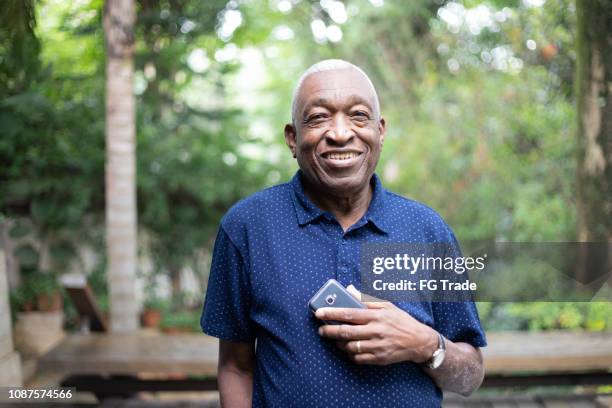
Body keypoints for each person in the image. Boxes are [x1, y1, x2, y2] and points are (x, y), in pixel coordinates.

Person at [200, 59, 486, 407]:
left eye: (358, 116)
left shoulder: (428, 230)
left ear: (380, 130)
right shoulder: (246, 228)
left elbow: (470, 376)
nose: (339, 133)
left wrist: (424, 344)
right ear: (292, 138)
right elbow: (235, 367)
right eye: (319, 117)